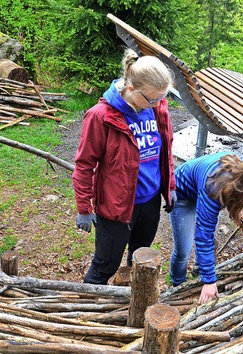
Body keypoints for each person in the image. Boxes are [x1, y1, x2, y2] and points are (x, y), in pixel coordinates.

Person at [72, 49, 176, 285]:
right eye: (153, 99)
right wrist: (83, 208)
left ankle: (132, 300)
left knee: (140, 257)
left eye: (162, 97)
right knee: (104, 266)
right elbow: (84, 165)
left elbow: (166, 148)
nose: (159, 104)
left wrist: (170, 186)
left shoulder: (156, 107)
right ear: (131, 89)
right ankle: (87, 312)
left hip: (149, 203)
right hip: (116, 209)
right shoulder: (101, 117)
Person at [169, 152, 243, 304]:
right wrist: (210, 281)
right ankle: (178, 285)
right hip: (182, 195)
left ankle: (199, 270)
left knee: (208, 241)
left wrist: (237, 210)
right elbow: (203, 235)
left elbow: (233, 196)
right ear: (241, 189)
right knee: (183, 251)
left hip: (205, 191)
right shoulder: (214, 188)